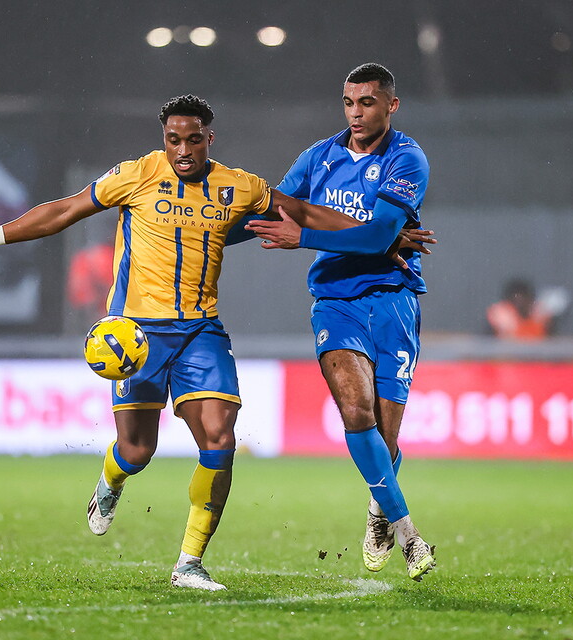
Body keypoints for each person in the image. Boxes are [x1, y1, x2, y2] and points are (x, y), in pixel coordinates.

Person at [0, 95, 423, 592]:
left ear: (209, 138)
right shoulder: (137, 174)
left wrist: (383, 238)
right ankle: (112, 480)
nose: (184, 149)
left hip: (200, 332)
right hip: (137, 335)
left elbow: (302, 210)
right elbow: (64, 210)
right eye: (174, 139)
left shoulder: (238, 186)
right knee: (137, 449)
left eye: (194, 139)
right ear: (164, 139)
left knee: (219, 440)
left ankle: (189, 563)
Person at [245, 63, 438, 581]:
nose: (356, 112)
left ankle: (377, 513)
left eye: (367, 102)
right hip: (335, 302)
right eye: (349, 102)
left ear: (391, 105)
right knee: (356, 412)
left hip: (393, 299)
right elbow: (275, 207)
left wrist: (303, 236)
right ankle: (408, 533)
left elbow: (377, 237)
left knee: (387, 442)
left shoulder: (407, 158)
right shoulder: (319, 157)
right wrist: (203, 226)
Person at [486, 278, 555, 340]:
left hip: (536, 352)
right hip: (508, 352)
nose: (520, 302)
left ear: (530, 299)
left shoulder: (542, 316)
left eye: (523, 297)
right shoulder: (498, 317)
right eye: (515, 298)